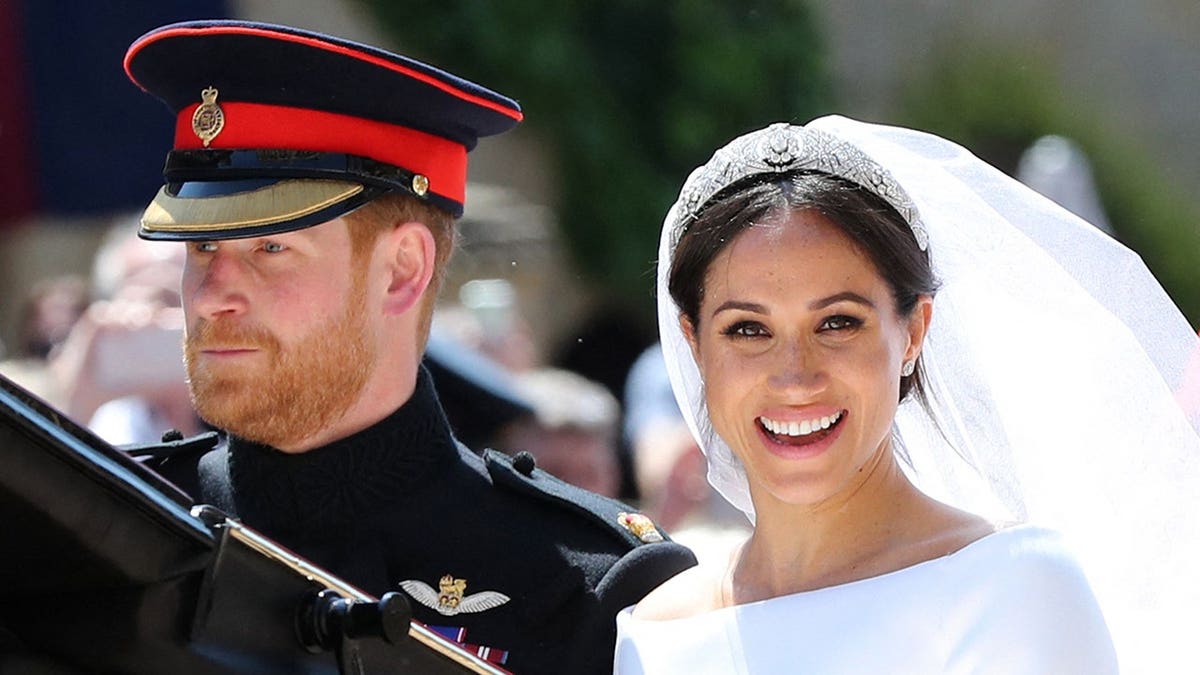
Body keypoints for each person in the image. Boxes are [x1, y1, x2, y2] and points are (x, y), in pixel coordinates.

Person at [120, 20, 695, 674]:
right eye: (201, 246)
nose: (210, 295)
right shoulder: (108, 519)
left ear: (401, 269)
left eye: (270, 247)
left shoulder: (589, 592)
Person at [615, 118, 1200, 673]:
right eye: (748, 330)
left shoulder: (1009, 589)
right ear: (694, 343)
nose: (795, 377)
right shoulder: (657, 634)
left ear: (914, 331)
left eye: (838, 323)